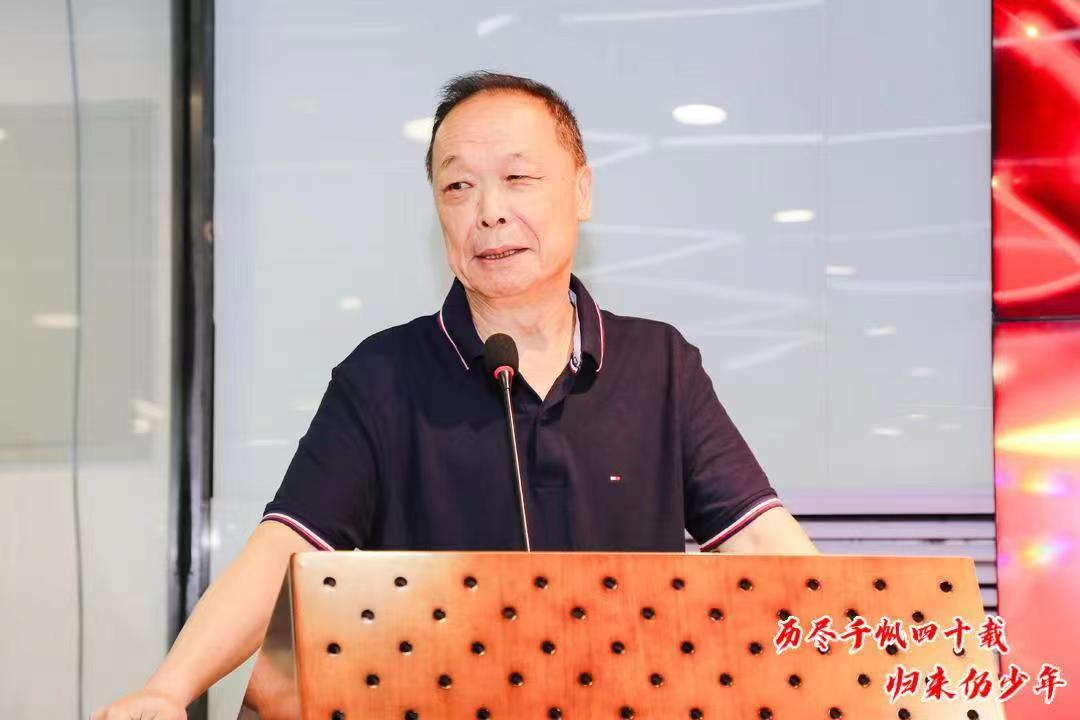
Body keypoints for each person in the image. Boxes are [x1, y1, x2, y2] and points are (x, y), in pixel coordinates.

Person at [93, 71, 817, 720]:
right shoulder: (382, 376)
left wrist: (862, 661)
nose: (489, 211)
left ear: (582, 191)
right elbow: (285, 549)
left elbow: (761, 540)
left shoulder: (660, 363)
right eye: (458, 186)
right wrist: (170, 687)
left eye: (518, 177)